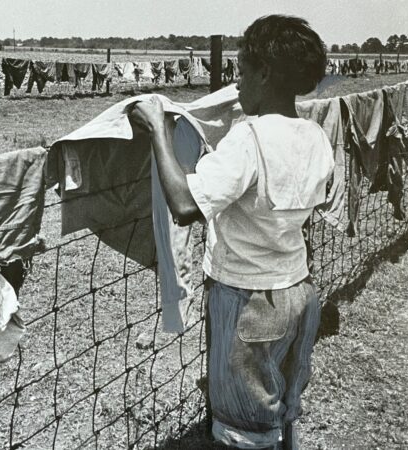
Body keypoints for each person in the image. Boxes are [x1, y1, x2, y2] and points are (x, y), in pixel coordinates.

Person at [130, 14, 333, 449]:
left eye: (241, 70)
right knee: (279, 401)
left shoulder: (249, 139)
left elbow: (185, 205)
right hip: (297, 292)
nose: (235, 83)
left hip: (248, 302)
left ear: (265, 72)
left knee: (241, 427)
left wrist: (159, 132)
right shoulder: (315, 135)